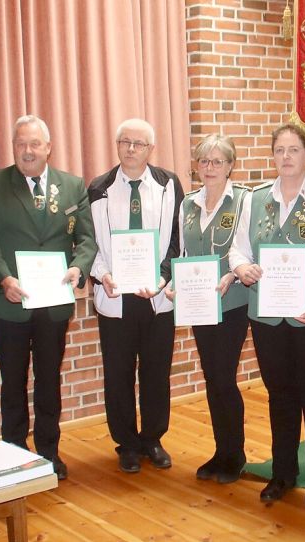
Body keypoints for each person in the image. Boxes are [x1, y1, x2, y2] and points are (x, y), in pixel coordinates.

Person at [229, 123, 305, 507]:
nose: (286, 157)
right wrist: (241, 269)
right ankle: (283, 473)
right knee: (279, 396)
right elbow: (238, 249)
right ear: (273, 156)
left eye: (293, 150)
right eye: (279, 150)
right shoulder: (254, 200)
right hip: (269, 318)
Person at [0, 114, 96, 480]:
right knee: (12, 382)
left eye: (34, 144)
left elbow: (86, 239)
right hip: (9, 302)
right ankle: (13, 452)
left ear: (48, 147)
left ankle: (49, 452)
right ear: (13, 147)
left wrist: (79, 267)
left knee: (49, 380)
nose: (27, 151)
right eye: (20, 144)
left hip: (54, 302)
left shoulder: (73, 186)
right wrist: (4, 278)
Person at [88, 119, 185, 474]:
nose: (131, 149)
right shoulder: (98, 188)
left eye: (139, 144)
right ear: (116, 145)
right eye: (125, 142)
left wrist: (162, 276)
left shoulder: (169, 184)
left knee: (157, 372)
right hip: (115, 297)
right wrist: (103, 274)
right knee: (118, 373)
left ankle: (153, 439)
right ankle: (126, 443)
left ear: (150, 149)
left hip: (157, 298)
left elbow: (179, 237)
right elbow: (88, 243)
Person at [165, 134, 250, 484]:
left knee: (224, 378)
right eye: (204, 161)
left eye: (217, 161)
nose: (210, 168)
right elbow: (184, 255)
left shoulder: (244, 201)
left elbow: (248, 249)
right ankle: (220, 451)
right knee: (212, 378)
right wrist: (174, 284)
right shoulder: (188, 204)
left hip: (231, 303)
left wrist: (232, 273)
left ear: (230, 165)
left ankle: (236, 454)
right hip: (200, 305)